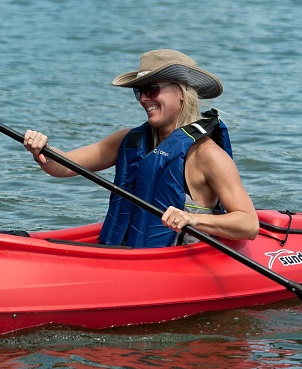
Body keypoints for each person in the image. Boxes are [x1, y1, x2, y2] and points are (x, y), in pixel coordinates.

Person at [23, 49, 258, 248]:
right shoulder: (128, 139)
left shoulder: (207, 155)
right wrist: (42, 149)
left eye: (152, 89)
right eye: (139, 91)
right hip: (126, 253)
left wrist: (191, 218)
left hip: (178, 262)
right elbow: (63, 167)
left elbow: (248, 224)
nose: (144, 99)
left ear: (182, 93)